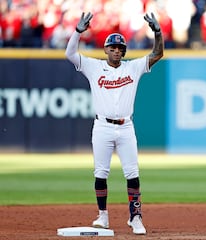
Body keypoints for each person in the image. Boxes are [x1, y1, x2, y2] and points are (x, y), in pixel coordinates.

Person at [65, 12, 164, 235]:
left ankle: (135, 217)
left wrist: (157, 32)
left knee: (133, 173)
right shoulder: (93, 67)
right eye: (113, 47)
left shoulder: (133, 67)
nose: (116, 50)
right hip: (102, 126)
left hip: (126, 126)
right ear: (106, 49)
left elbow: (158, 53)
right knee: (100, 173)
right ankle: (103, 216)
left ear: (124, 51)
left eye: (120, 48)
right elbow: (70, 53)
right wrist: (78, 31)